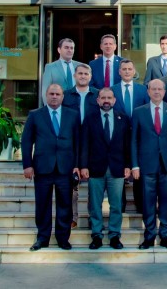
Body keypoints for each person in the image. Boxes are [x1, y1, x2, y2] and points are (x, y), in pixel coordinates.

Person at [21, 84, 80, 251]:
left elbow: (78, 142)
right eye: (51, 94)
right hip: (42, 167)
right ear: (46, 96)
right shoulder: (35, 115)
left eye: (57, 94)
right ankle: (42, 238)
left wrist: (77, 165)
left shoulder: (72, 115)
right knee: (42, 204)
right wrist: (27, 165)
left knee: (65, 205)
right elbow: (26, 141)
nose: (54, 97)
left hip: (65, 168)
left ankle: (63, 238)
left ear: (63, 97)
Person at [79, 88, 132, 250]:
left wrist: (128, 165)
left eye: (109, 97)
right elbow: (84, 144)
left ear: (114, 100)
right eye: (103, 98)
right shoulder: (90, 118)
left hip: (117, 168)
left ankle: (114, 235)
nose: (106, 100)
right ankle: (97, 235)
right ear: (98, 100)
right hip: (95, 168)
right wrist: (83, 165)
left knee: (116, 205)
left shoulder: (123, 118)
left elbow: (127, 145)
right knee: (95, 205)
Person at [131, 79, 167, 249]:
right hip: (146, 165)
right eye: (153, 89)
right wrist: (135, 165)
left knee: (166, 202)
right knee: (148, 202)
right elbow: (134, 140)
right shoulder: (139, 112)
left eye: (160, 89)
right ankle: (149, 236)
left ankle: (165, 236)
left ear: (164, 92)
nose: (157, 92)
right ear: (148, 92)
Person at [62, 64, 99, 226]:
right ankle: (72, 218)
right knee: (73, 181)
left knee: (94, 183)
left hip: (93, 143)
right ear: (75, 76)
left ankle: (92, 217)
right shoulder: (66, 95)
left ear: (90, 77)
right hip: (71, 142)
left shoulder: (98, 94)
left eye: (86, 74)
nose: (83, 76)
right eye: (80, 73)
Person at [110, 59, 149, 213]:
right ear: (119, 72)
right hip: (118, 136)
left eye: (129, 69)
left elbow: (147, 110)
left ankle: (140, 204)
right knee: (120, 171)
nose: (127, 71)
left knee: (138, 169)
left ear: (134, 72)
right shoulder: (112, 90)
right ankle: (121, 206)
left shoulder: (143, 90)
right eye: (124, 69)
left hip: (139, 135)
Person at [41, 38, 83, 104]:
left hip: (78, 104)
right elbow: (45, 91)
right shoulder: (50, 67)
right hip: (58, 105)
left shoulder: (81, 66)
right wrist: (49, 108)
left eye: (71, 48)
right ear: (59, 50)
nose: (69, 50)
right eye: (66, 47)